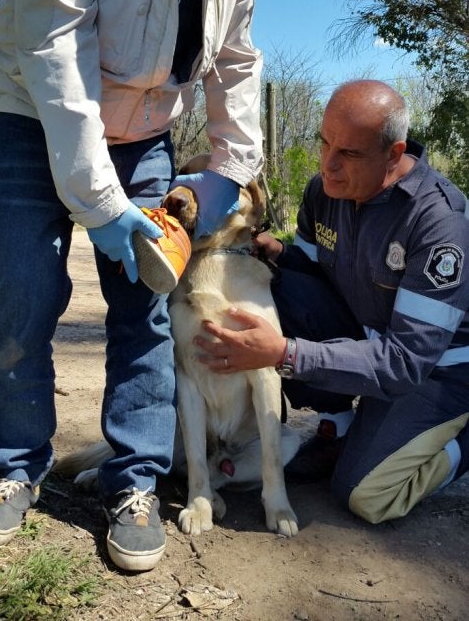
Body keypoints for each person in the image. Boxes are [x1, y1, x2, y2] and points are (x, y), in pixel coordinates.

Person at [0, 0, 290, 571]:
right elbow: (57, 54)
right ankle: (13, 466)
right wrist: (105, 208)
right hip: (29, 106)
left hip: (146, 126)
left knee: (149, 299)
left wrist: (208, 189)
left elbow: (237, 70)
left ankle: (137, 480)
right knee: (25, 286)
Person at [195, 80, 469, 524]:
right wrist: (277, 254)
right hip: (369, 336)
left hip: (437, 369)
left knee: (367, 494)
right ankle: (337, 427)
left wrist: (285, 354)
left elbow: (406, 361)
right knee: (273, 288)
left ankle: (460, 443)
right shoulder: (324, 192)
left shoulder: (439, 222)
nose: (329, 164)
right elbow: (311, 275)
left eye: (350, 154)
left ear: (394, 154)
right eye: (324, 143)